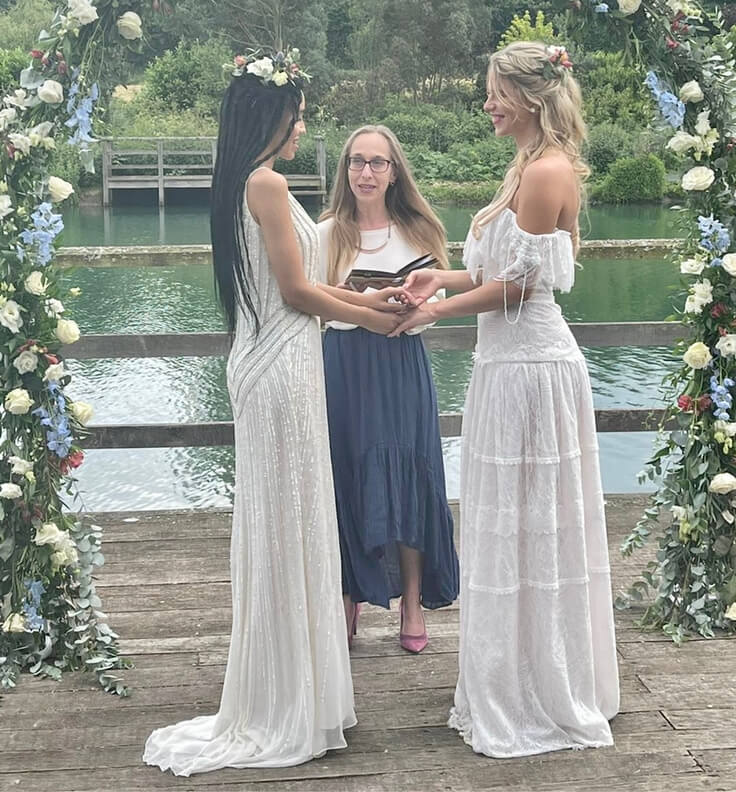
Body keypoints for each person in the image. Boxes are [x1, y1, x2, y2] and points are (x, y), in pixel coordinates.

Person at [143, 52, 404, 776]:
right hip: (280, 366)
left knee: (291, 518)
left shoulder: (246, 183)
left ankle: (298, 689)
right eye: (297, 112)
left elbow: (313, 285)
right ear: (273, 115)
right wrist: (375, 320)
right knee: (290, 519)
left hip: (281, 359)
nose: (303, 125)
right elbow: (295, 291)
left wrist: (369, 302)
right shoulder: (265, 182)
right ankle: (287, 700)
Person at [392, 42, 620, 756]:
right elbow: (499, 271)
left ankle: (542, 685)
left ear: (529, 96)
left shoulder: (547, 171)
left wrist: (436, 312)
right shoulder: (523, 166)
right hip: (506, 362)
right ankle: (516, 670)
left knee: (534, 525)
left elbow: (526, 287)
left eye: (494, 92)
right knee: (510, 523)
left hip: (532, 369)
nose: (486, 103)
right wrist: (442, 280)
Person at [318, 125, 459, 653]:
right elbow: (308, 298)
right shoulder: (327, 232)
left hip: (400, 364)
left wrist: (408, 308)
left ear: (394, 170)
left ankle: (413, 601)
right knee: (346, 472)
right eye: (357, 162)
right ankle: (349, 595)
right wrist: (361, 304)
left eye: (377, 163)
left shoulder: (419, 230)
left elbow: (434, 308)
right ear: (345, 170)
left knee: (409, 475)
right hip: (344, 367)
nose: (366, 172)